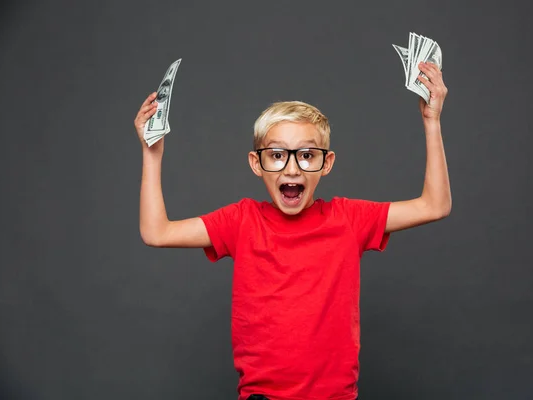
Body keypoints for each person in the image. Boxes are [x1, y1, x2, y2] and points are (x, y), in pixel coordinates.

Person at [134, 61, 450, 400]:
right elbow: (157, 232)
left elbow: (435, 205)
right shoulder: (241, 221)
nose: (292, 167)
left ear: (326, 163)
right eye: (277, 155)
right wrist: (152, 153)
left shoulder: (349, 218)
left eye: (307, 155)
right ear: (257, 163)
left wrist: (432, 121)